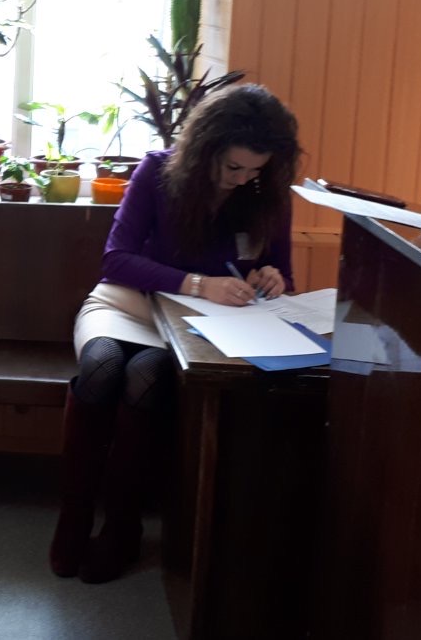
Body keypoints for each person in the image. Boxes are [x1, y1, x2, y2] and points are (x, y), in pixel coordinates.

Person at [50, 83, 300, 583]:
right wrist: (199, 283)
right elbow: (116, 259)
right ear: (206, 148)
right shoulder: (158, 171)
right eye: (233, 167)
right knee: (102, 367)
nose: (241, 179)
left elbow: (282, 274)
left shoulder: (265, 193)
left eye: (254, 170)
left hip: (193, 326)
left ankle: (122, 526)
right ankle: (74, 516)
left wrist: (273, 278)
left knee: (144, 375)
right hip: (124, 302)